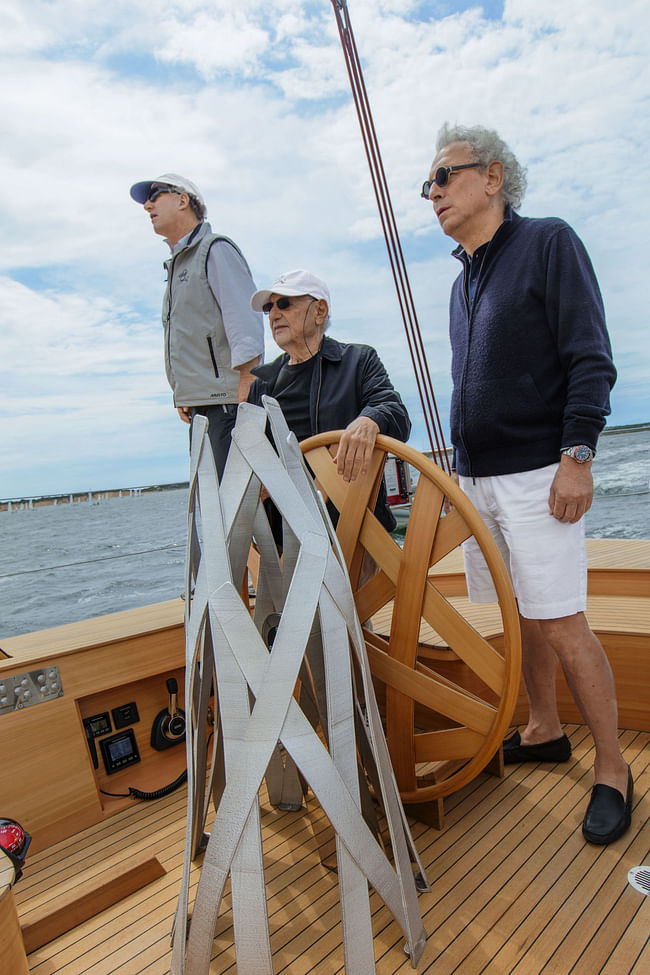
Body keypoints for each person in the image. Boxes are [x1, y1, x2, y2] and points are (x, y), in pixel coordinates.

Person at [424, 124, 630, 845]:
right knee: (522, 615)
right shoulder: (459, 285)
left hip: (541, 472)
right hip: (477, 477)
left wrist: (578, 452)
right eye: (429, 186)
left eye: (445, 177)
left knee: (562, 621)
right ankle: (543, 727)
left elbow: (590, 356)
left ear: (493, 177)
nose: (435, 194)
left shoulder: (549, 242)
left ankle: (614, 769)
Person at [247, 268, 410, 532]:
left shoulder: (358, 361)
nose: (275, 314)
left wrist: (369, 420)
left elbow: (395, 411)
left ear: (319, 311)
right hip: (289, 542)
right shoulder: (262, 386)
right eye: (269, 308)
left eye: (285, 304)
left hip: (359, 533)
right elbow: (247, 456)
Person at [130, 173, 264, 479]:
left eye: (155, 195)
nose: (147, 205)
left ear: (182, 200)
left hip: (229, 402)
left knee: (235, 501)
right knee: (214, 502)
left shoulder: (214, 249)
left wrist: (246, 380)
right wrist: (183, 392)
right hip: (202, 404)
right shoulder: (179, 265)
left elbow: (244, 317)